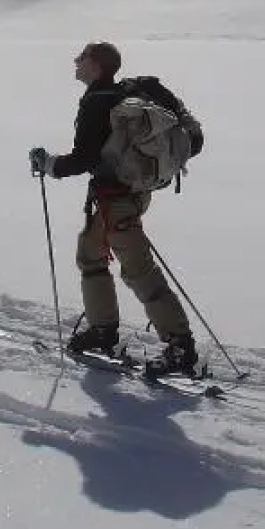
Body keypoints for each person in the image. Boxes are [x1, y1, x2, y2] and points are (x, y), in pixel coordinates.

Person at [29, 41, 198, 376]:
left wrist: (47, 163)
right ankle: (102, 330)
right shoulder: (123, 95)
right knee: (90, 254)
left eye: (82, 58)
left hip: (116, 200)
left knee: (138, 269)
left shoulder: (97, 102)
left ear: (96, 66)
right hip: (130, 193)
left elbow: (85, 159)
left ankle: (180, 345)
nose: (75, 62)